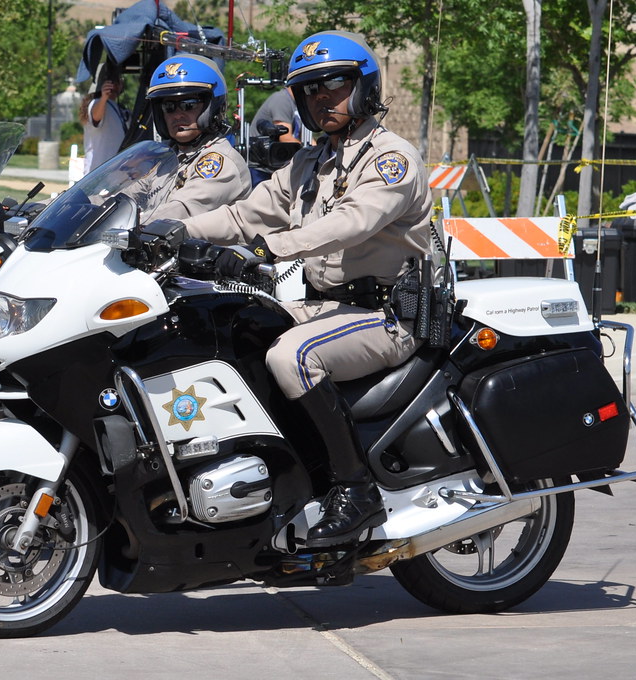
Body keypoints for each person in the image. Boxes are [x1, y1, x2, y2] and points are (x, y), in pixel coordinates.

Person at [181, 31, 433, 547]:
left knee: (292, 358)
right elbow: (242, 213)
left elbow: (351, 223)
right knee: (230, 332)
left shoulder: (391, 159)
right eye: (310, 90)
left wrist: (271, 249)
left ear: (363, 88)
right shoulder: (309, 163)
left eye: (335, 84)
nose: (322, 97)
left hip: (389, 316)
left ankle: (356, 490)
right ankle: (281, 479)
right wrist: (166, 230)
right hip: (329, 306)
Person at [142, 53, 251, 221]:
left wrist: (128, 226)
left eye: (188, 105)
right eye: (169, 106)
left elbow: (180, 210)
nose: (178, 115)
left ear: (213, 109)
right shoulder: (169, 158)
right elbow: (132, 189)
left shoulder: (219, 163)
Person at [79, 62, 129, 174]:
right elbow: (96, 117)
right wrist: (103, 98)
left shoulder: (121, 109)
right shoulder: (96, 103)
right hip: (98, 174)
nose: (115, 84)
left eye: (117, 81)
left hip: (117, 173)